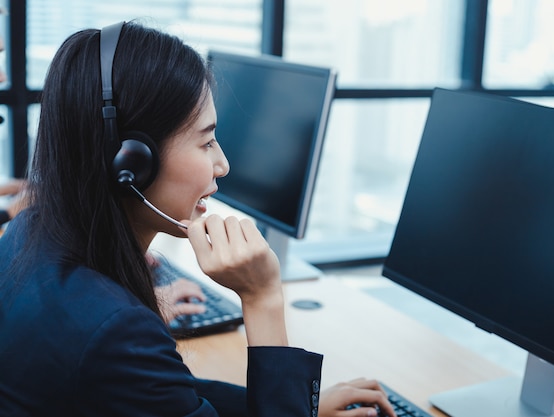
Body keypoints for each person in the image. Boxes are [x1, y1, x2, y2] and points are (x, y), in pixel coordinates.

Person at [0, 21, 395, 417]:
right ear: (132, 163)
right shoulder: (116, 331)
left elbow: (166, 393)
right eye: (206, 141)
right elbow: (131, 364)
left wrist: (300, 404)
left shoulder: (28, 230)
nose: (222, 164)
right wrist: (262, 299)